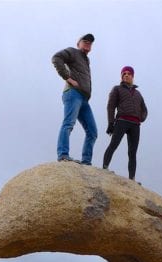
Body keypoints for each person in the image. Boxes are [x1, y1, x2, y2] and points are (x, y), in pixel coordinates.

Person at [51, 33, 98, 165]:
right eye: (85, 41)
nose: (88, 44)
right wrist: (68, 78)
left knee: (92, 131)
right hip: (73, 93)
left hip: (84, 99)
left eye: (90, 42)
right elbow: (56, 58)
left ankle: (86, 162)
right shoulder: (73, 52)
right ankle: (63, 155)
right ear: (78, 44)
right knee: (68, 124)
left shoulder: (86, 60)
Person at [102, 66, 148, 181]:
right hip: (122, 121)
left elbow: (144, 109)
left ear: (132, 76)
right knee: (113, 145)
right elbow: (111, 106)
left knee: (132, 152)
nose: (126, 75)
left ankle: (132, 178)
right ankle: (104, 168)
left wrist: (140, 118)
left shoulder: (138, 93)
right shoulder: (117, 89)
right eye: (123, 74)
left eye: (128, 73)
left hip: (135, 125)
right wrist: (110, 123)